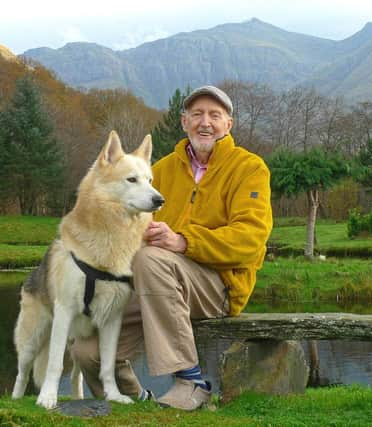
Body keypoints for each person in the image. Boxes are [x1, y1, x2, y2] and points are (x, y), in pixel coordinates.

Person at [72, 85, 273, 410]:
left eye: (214, 115)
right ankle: (136, 402)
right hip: (157, 284)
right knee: (87, 351)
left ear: (228, 125)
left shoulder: (249, 168)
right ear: (184, 122)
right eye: (197, 114)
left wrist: (183, 241)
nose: (205, 122)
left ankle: (191, 381)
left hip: (220, 286)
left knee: (153, 260)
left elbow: (250, 240)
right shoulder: (161, 169)